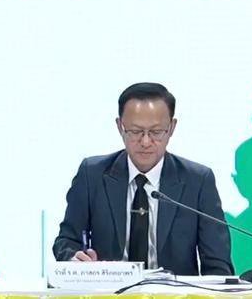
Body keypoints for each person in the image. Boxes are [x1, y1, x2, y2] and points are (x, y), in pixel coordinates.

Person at [53, 82, 233, 275]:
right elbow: (66, 241)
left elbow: (218, 266)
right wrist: (73, 258)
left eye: (156, 132)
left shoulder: (198, 181)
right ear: (120, 127)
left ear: (171, 128)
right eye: (135, 131)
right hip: (110, 290)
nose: (146, 142)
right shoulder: (92, 175)